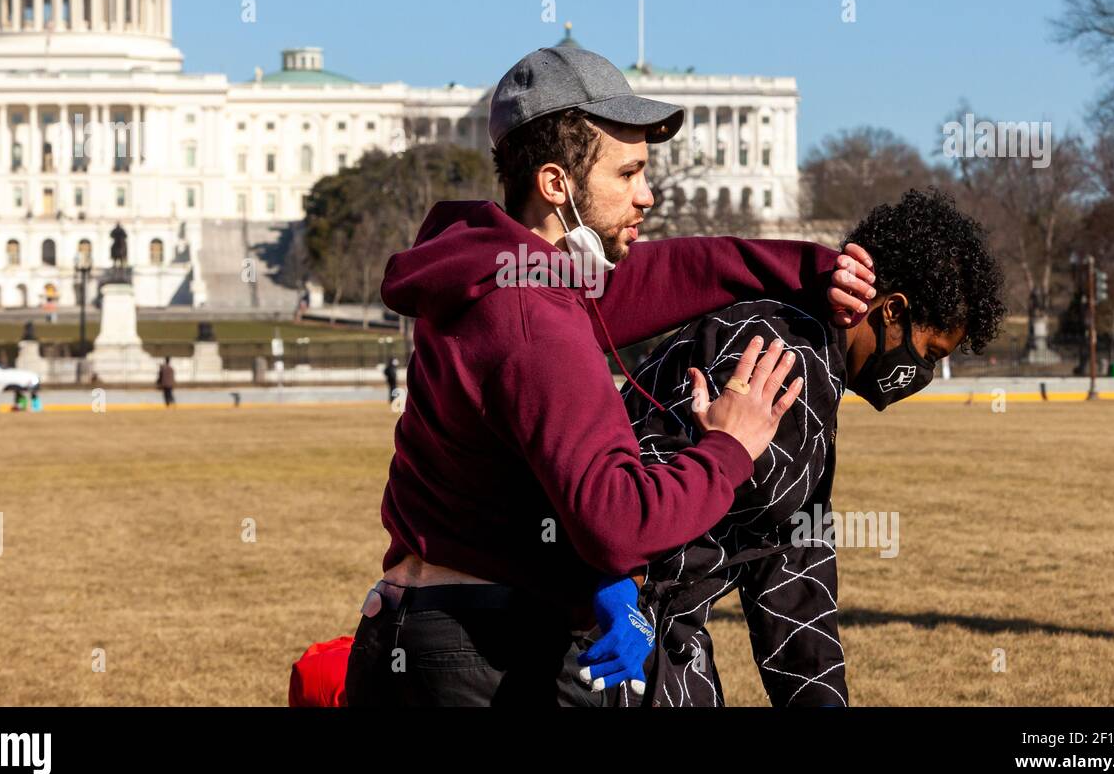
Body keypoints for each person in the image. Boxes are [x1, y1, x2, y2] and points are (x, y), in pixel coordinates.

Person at [344, 43, 878, 707]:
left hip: (404, 634)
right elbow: (618, 522)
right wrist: (729, 448)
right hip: (485, 659)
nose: (647, 195)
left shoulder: (495, 276)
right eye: (628, 174)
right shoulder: (534, 320)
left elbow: (658, 280)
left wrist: (803, 265)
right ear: (556, 185)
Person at [574, 189, 1006, 706]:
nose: (923, 375)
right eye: (929, 353)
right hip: (600, 635)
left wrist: (818, 695)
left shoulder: (816, 369)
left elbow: (789, 555)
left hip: (660, 634)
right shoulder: (774, 352)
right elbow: (629, 484)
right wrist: (616, 594)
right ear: (892, 311)